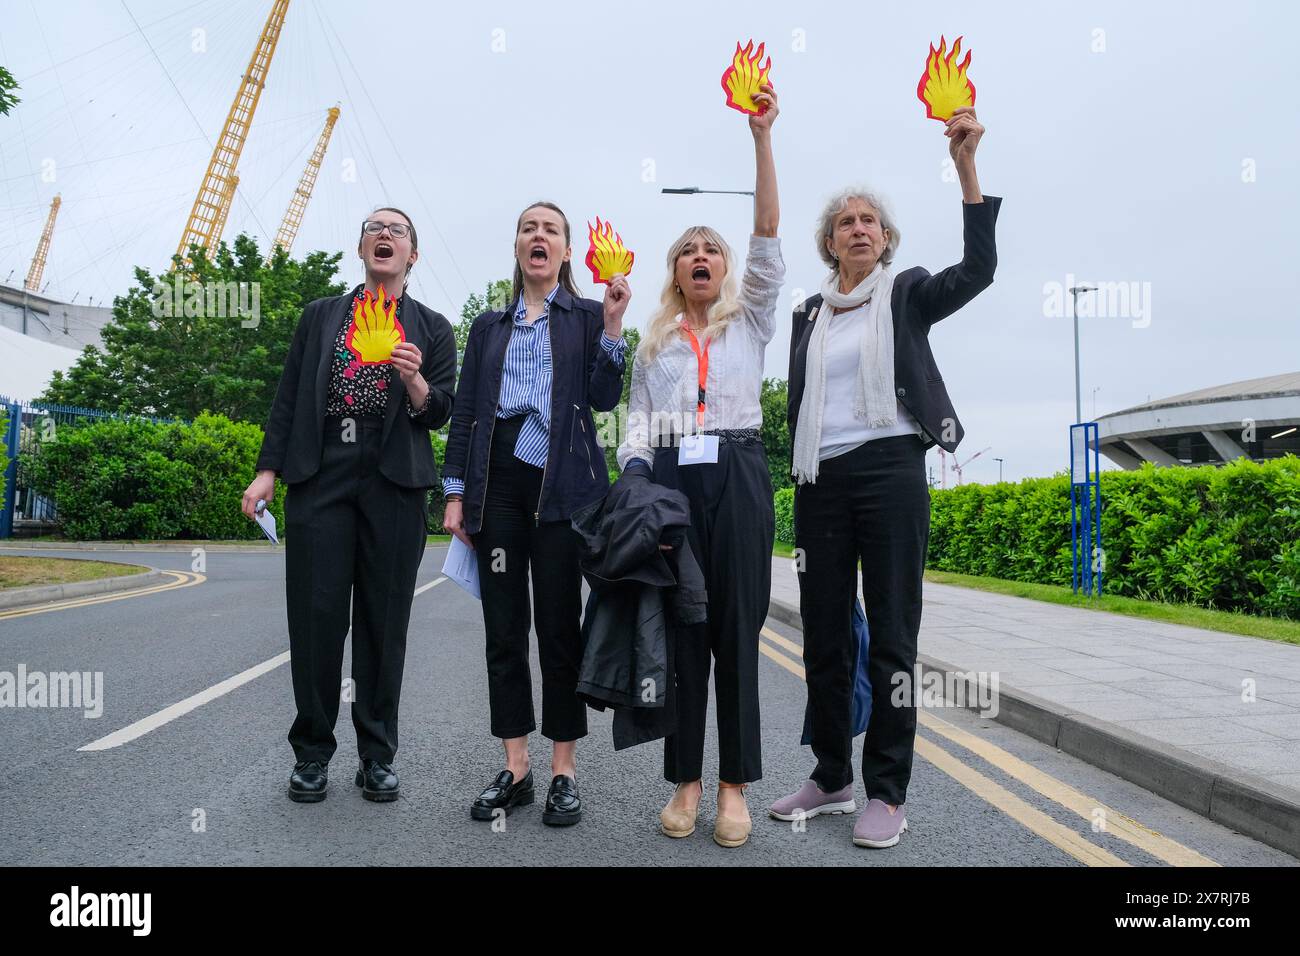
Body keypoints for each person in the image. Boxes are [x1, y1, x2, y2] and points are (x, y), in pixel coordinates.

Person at [769, 106, 1000, 848]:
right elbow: (803, 402)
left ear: (886, 238)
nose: (859, 228)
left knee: (894, 637)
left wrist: (966, 168)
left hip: (892, 472)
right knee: (825, 637)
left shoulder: (907, 293)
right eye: (846, 222)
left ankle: (887, 791)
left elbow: (979, 272)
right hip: (821, 479)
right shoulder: (810, 313)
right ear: (829, 241)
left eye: (870, 220)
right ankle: (832, 773)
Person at [243, 206, 457, 803]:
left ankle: (377, 755)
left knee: (384, 624)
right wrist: (268, 472)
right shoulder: (320, 318)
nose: (384, 236)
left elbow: (441, 410)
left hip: (393, 479)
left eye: (398, 231)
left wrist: (414, 380)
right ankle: (311, 753)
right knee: (316, 619)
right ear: (361, 248)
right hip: (322, 473)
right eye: (374, 229)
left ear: (413, 254)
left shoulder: (433, 328)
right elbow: (288, 397)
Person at [616, 83, 783, 848]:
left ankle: (734, 788)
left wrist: (761, 138)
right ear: (675, 273)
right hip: (677, 483)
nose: (700, 257)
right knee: (684, 629)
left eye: (711, 248)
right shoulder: (656, 344)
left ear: (726, 268)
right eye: (687, 251)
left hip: (742, 474)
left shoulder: (750, 319)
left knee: (735, 632)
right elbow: (640, 426)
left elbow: (770, 232)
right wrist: (635, 482)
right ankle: (685, 781)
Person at [441, 201, 630, 826]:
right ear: (517, 247)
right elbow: (466, 409)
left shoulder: (584, 316)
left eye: (551, 229)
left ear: (567, 251)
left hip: (563, 484)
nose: (539, 237)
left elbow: (604, 398)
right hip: (497, 482)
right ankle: (516, 766)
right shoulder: (488, 326)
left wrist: (613, 329)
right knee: (503, 628)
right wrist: (455, 493)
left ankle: (563, 770)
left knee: (557, 627)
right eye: (529, 228)